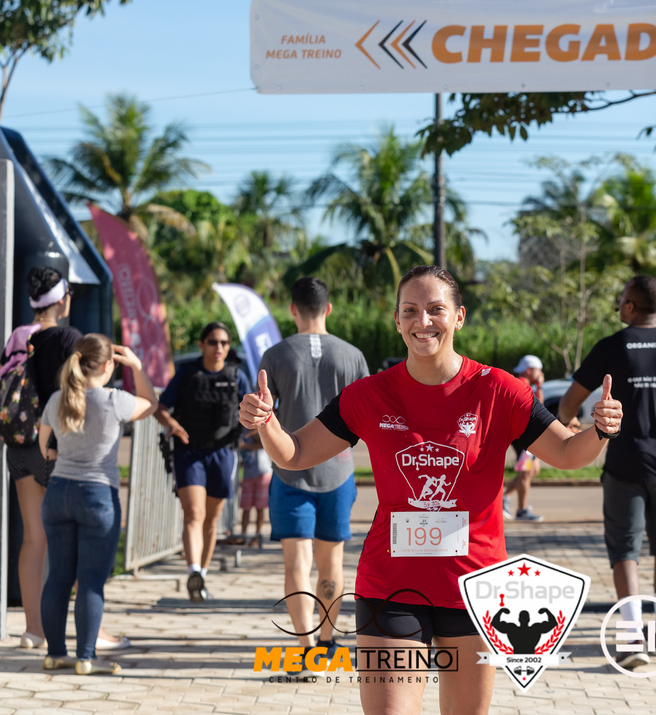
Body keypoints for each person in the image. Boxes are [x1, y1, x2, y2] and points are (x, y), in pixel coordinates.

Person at [240, 265, 622, 715]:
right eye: (411, 311)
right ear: (397, 321)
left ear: (458, 316)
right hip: (391, 586)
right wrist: (267, 422)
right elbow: (295, 453)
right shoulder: (368, 395)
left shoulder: (498, 390)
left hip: (475, 588)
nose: (423, 322)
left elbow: (568, 453)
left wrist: (601, 429)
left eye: (436, 309)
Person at [557, 275, 656, 670]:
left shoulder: (610, 347)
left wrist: (570, 428)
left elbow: (567, 405)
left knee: (625, 549)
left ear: (629, 307)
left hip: (624, 461)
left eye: (620, 301)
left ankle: (630, 636)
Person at [5, 267, 125, 652]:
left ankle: (33, 629)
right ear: (63, 299)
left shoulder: (18, 336)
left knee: (33, 539)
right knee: (77, 544)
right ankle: (93, 633)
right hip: (54, 448)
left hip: (20, 445)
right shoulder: (70, 338)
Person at [257, 277, 368, 662]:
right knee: (331, 562)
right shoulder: (352, 356)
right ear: (329, 309)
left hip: (290, 472)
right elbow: (366, 419)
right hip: (337, 472)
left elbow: (266, 417)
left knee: (296, 565)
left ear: (293, 310)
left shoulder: (275, 356)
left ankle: (305, 649)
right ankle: (327, 641)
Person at [37, 335, 158, 674]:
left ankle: (55, 653)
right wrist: (136, 366)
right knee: (90, 580)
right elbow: (150, 404)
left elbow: (43, 441)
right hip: (97, 496)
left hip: (58, 492)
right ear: (108, 366)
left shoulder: (58, 398)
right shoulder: (115, 400)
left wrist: (54, 451)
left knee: (58, 577)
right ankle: (87, 657)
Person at [154, 322, 252, 602]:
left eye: (223, 343)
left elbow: (253, 406)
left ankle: (202, 577)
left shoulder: (237, 376)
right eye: (212, 342)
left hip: (222, 453)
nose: (218, 348)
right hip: (189, 452)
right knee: (193, 513)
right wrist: (172, 424)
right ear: (201, 345)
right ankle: (193, 569)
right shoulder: (187, 374)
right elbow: (160, 408)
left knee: (211, 520)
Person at [504, 355, 545, 522]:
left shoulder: (523, 382)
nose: (541, 373)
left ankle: (504, 497)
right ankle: (521, 510)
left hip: (523, 435)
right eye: (539, 370)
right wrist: (540, 386)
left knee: (534, 469)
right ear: (529, 371)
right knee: (526, 471)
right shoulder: (522, 383)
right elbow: (538, 409)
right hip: (522, 435)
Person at [236, 429, 272, 548]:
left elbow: (263, 444)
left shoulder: (256, 427)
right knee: (246, 507)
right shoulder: (239, 429)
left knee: (260, 507)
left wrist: (246, 445)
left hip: (262, 473)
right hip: (247, 473)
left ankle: (257, 536)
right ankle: (243, 535)